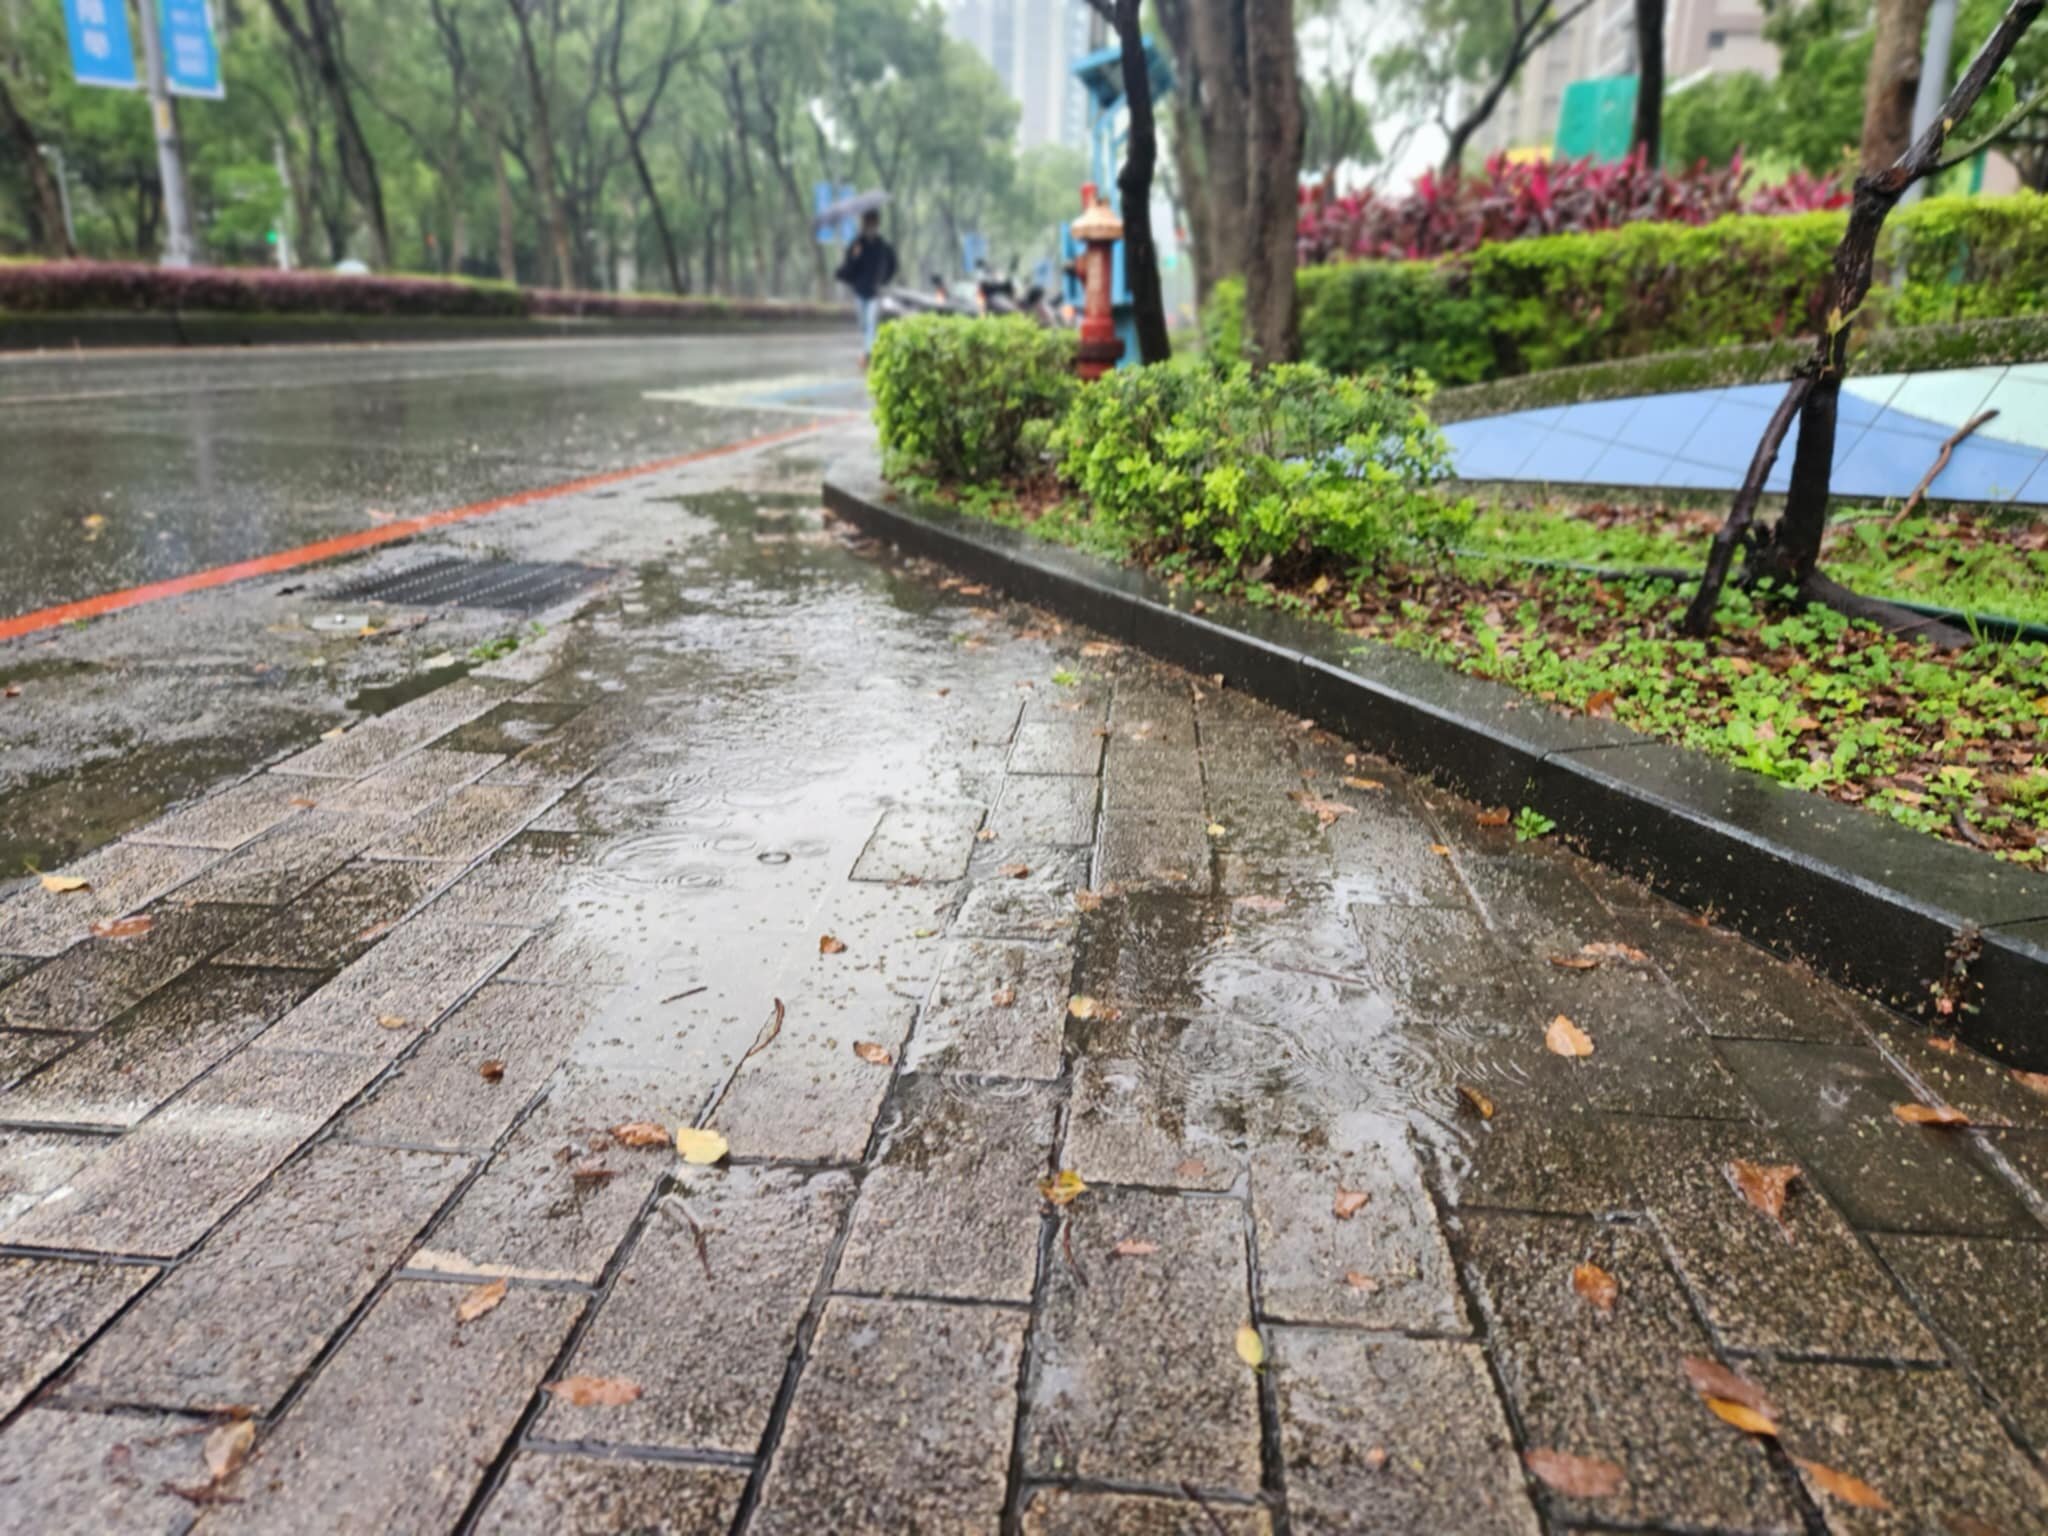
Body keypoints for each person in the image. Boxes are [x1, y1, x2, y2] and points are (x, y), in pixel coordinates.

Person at [835, 208, 898, 367]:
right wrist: (855, 257)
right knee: (863, 325)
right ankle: (868, 350)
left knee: (871, 323)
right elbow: (849, 268)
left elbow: (892, 265)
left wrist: (884, 280)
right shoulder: (857, 244)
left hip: (875, 292)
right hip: (860, 292)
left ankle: (868, 355)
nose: (870, 226)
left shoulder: (882, 246)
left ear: (877, 224)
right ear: (864, 224)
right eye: (868, 222)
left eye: (873, 223)